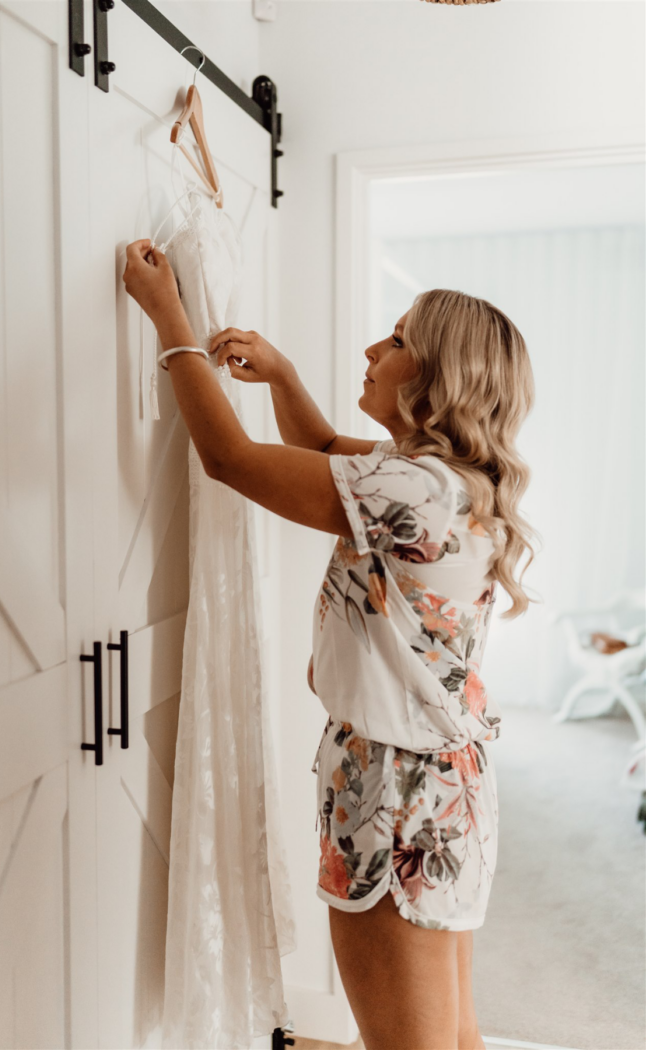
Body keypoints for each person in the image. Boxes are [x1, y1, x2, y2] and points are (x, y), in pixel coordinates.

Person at [123, 239, 538, 1050]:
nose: (372, 351)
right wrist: (279, 375)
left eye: (395, 340)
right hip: (443, 782)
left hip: (396, 792)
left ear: (435, 377)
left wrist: (167, 315)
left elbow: (230, 460)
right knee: (450, 1037)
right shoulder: (433, 480)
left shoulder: (409, 490)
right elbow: (317, 448)